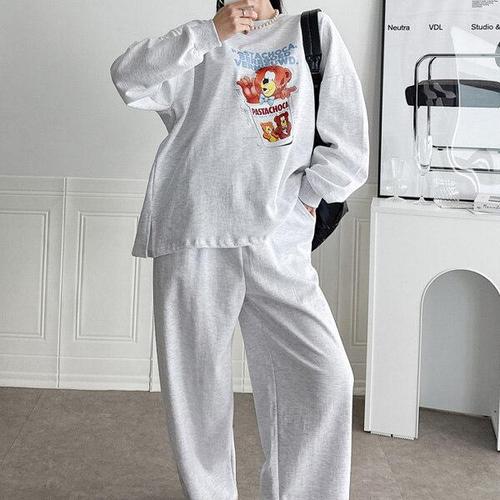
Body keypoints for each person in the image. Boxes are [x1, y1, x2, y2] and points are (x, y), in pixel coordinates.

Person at [110, 0, 369, 498]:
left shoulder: (309, 31)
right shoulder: (200, 42)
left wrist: (305, 203)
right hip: (193, 233)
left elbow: (349, 145)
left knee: (324, 378)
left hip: (277, 239)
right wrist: (209, 32)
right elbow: (128, 77)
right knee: (196, 391)